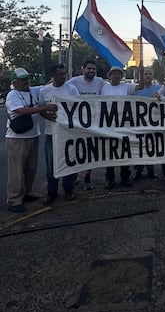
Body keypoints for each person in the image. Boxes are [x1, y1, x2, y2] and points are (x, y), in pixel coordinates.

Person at [5, 68, 57, 213]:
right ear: (14, 82)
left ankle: (26, 193)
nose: (26, 82)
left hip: (33, 136)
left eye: (27, 79)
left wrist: (56, 76)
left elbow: (49, 84)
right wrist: (45, 107)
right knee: (17, 171)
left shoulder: (33, 91)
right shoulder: (12, 95)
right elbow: (21, 111)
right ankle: (14, 200)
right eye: (22, 80)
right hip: (17, 139)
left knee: (30, 169)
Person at [39, 64, 80, 204]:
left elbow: (79, 107)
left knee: (68, 163)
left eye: (65, 73)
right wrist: (46, 115)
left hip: (68, 133)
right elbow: (40, 108)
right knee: (51, 165)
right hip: (51, 134)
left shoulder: (72, 89)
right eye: (61, 74)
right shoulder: (44, 91)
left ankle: (68, 190)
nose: (64, 76)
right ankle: (52, 192)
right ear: (53, 75)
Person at [69, 59, 105, 190]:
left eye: (93, 69)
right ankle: (74, 175)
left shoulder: (100, 82)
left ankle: (88, 177)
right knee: (76, 150)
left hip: (94, 123)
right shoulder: (73, 82)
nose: (91, 71)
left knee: (91, 150)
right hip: (77, 122)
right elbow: (61, 89)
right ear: (82, 69)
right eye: (89, 68)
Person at [101, 66, 136, 189]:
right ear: (109, 76)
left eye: (118, 73)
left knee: (124, 152)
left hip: (124, 125)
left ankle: (125, 177)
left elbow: (141, 86)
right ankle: (109, 178)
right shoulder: (104, 88)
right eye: (113, 73)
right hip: (109, 126)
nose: (116, 75)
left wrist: (141, 72)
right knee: (110, 153)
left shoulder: (126, 87)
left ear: (121, 76)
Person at [133, 66, 161, 180]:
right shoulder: (135, 90)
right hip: (138, 123)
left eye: (150, 74)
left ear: (152, 75)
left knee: (150, 147)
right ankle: (138, 170)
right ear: (142, 76)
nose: (148, 76)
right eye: (146, 74)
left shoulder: (158, 88)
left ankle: (151, 169)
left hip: (152, 124)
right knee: (138, 147)